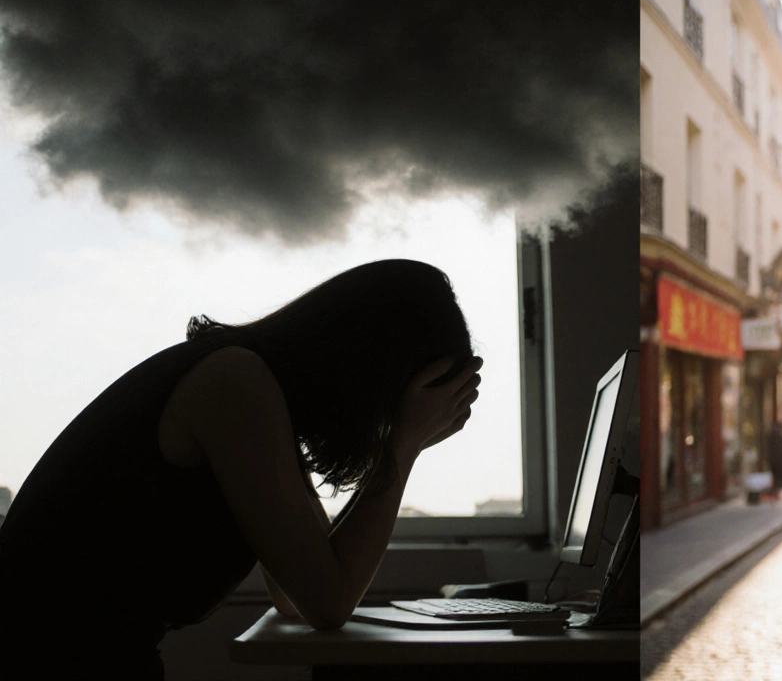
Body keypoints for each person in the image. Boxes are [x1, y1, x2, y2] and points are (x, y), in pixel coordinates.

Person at [0, 259, 483, 680]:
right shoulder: (234, 384)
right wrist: (402, 446)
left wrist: (400, 445)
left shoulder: (253, 390)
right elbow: (326, 601)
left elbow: (298, 595)